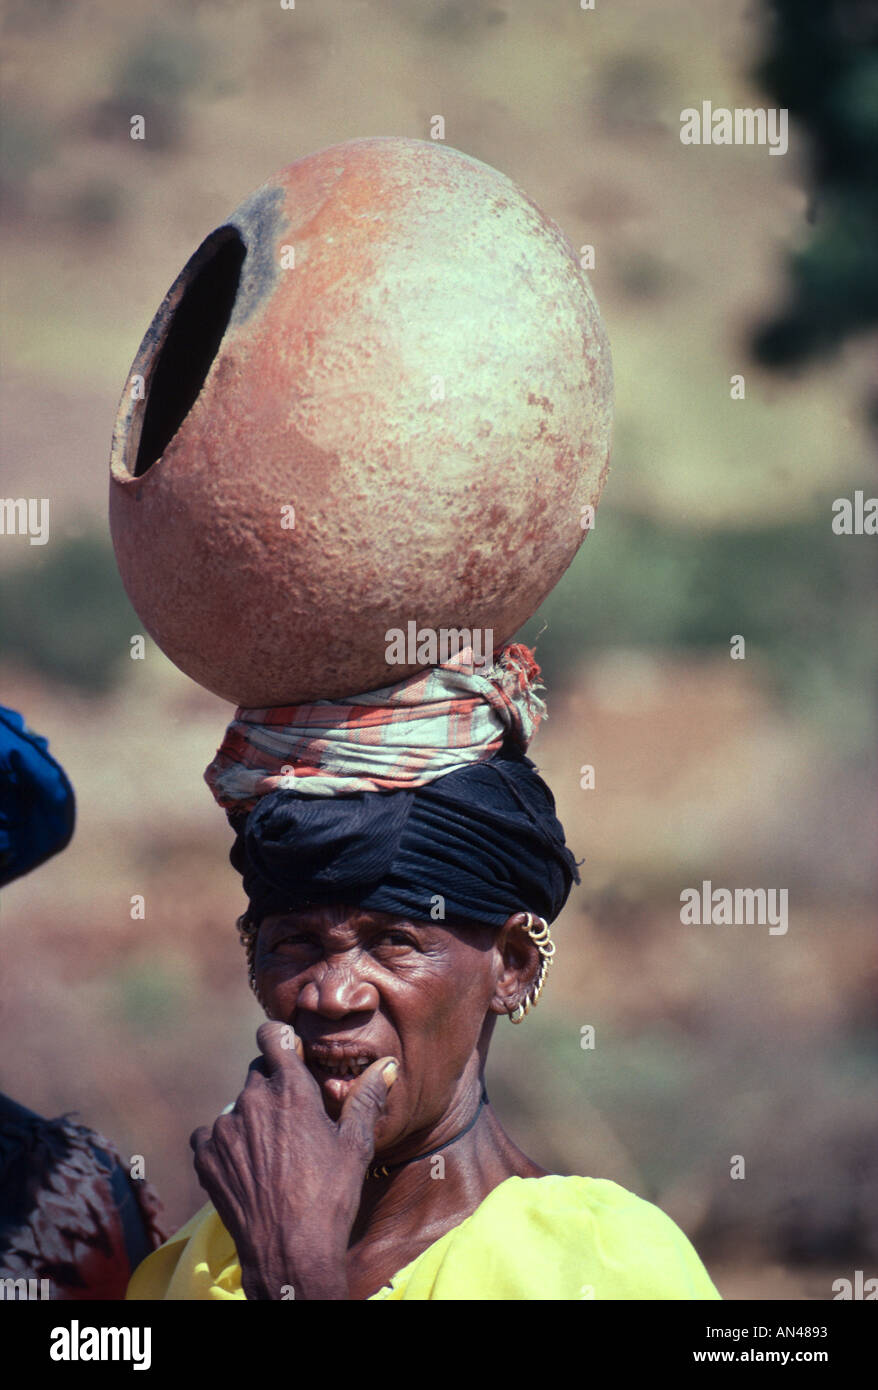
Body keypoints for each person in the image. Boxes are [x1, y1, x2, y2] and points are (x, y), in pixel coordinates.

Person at [126, 647, 720, 1301]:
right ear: (251, 960)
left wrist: (298, 1283)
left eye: (393, 943)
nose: (333, 994)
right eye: (295, 943)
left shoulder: (601, 1266)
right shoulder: (200, 1261)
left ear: (513, 967)